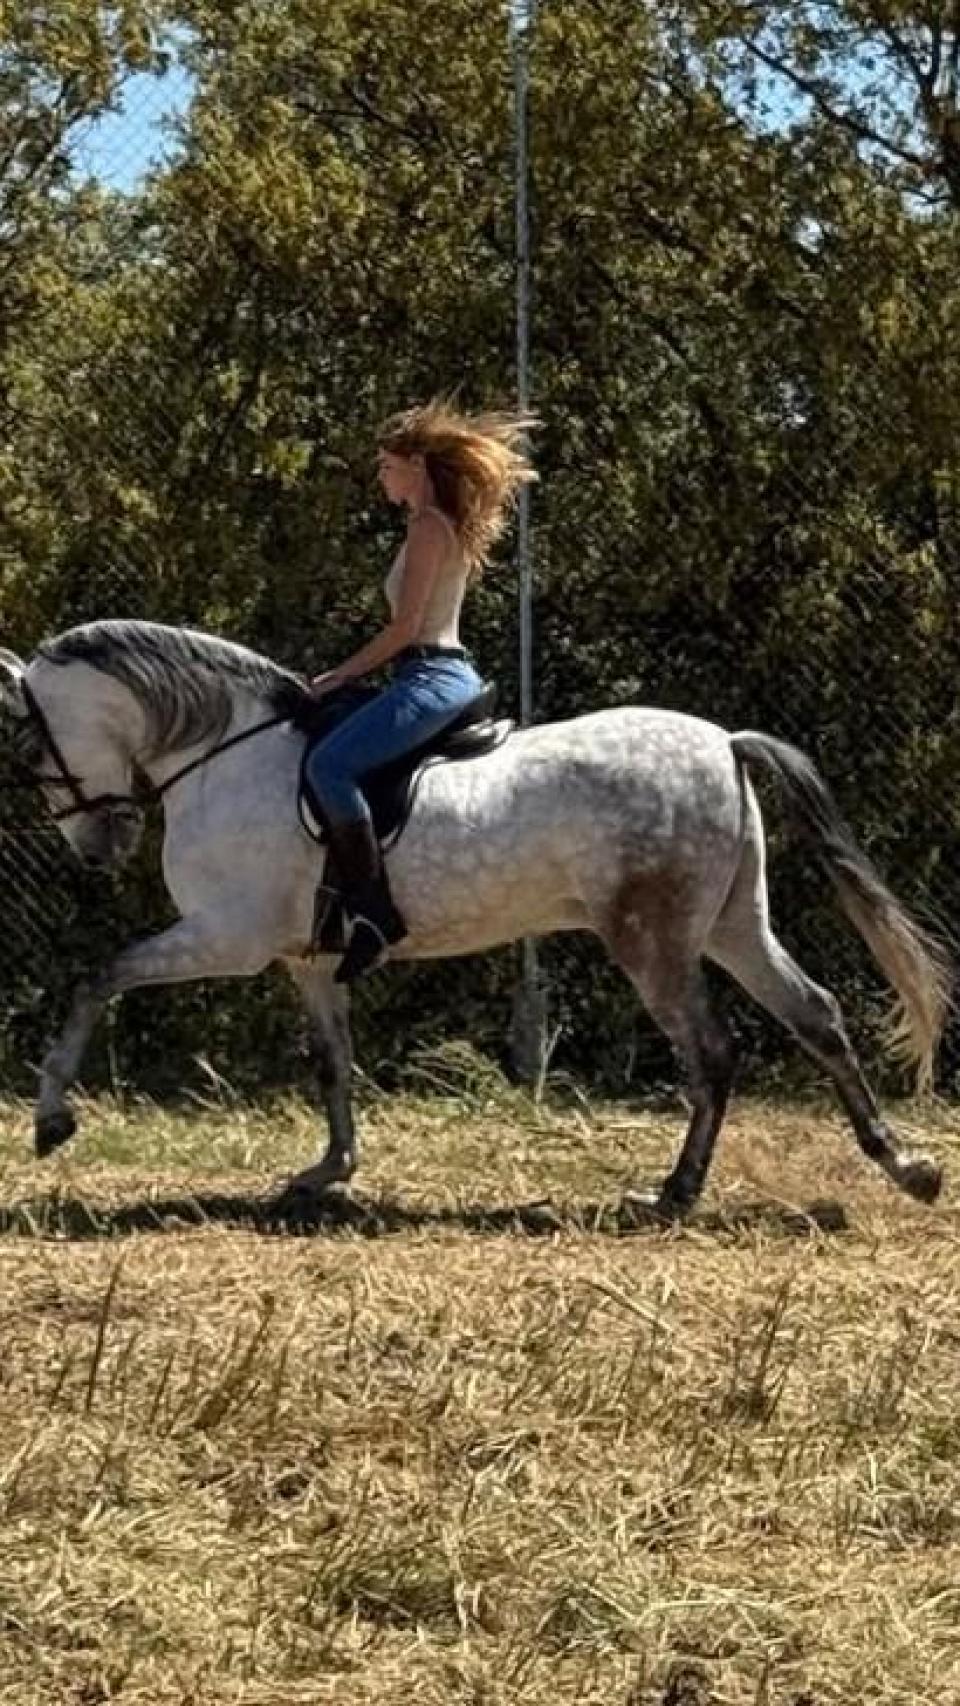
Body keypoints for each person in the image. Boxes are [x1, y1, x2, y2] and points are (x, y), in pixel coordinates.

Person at [305, 397, 537, 982]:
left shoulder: (429, 527)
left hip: (434, 674)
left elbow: (406, 629)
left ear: (415, 465)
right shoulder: (430, 525)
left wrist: (342, 673)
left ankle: (376, 914)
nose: (380, 477)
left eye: (386, 465)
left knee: (330, 769)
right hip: (422, 674)